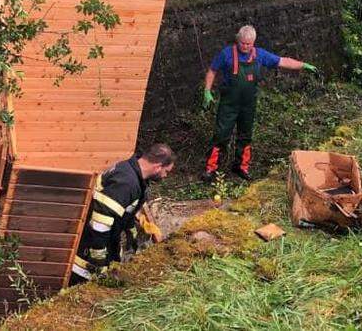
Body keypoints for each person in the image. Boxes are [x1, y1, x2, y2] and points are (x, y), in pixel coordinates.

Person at [201, 25, 317, 182]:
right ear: (238, 40)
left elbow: (283, 61)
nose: (245, 46)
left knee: (245, 135)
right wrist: (207, 91)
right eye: (242, 43)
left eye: (248, 44)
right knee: (221, 135)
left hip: (248, 105)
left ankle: (241, 167)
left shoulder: (260, 55)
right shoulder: (226, 54)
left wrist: (303, 65)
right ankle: (211, 169)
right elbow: (212, 71)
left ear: (253, 42)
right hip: (229, 104)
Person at [70, 144, 175, 285]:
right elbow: (100, 222)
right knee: (83, 288)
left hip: (105, 239)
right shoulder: (126, 183)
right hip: (89, 248)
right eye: (166, 172)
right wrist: (98, 257)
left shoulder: (131, 171)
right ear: (157, 166)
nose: (165, 176)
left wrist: (132, 234)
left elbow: (125, 211)